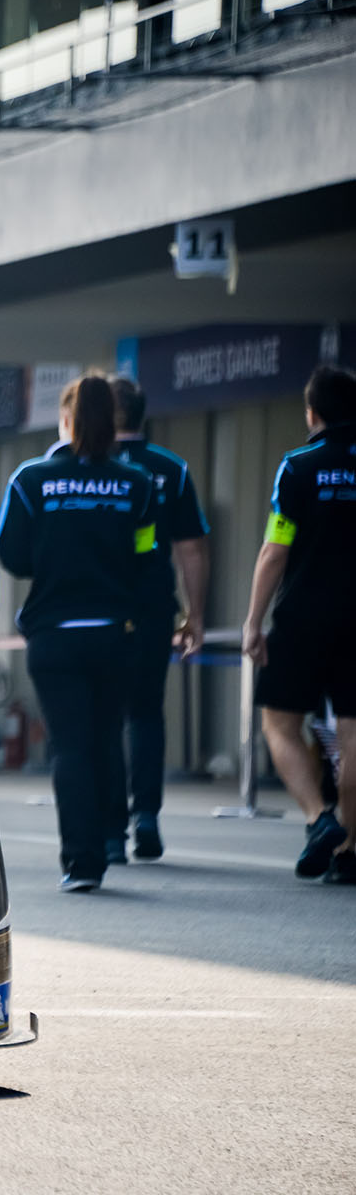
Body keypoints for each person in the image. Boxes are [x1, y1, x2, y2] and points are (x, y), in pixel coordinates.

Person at [0, 375, 156, 892]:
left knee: (70, 747)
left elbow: (11, 555)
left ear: (66, 420)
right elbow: (148, 558)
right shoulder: (138, 485)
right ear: (114, 423)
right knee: (106, 738)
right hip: (116, 632)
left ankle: (82, 863)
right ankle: (113, 837)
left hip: (54, 635)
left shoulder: (30, 479)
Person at [242, 364, 356, 883]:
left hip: (303, 616)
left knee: (279, 723)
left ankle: (319, 817)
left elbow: (274, 550)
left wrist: (252, 621)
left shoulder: (298, 466)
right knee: (354, 735)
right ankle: (350, 848)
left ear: (311, 413)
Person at [108, 376, 210, 861]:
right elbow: (192, 548)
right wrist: (196, 614)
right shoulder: (172, 469)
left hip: (97, 610)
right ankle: (145, 815)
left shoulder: (79, 467)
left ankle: (108, 829)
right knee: (146, 712)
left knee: (101, 717)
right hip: (153, 608)